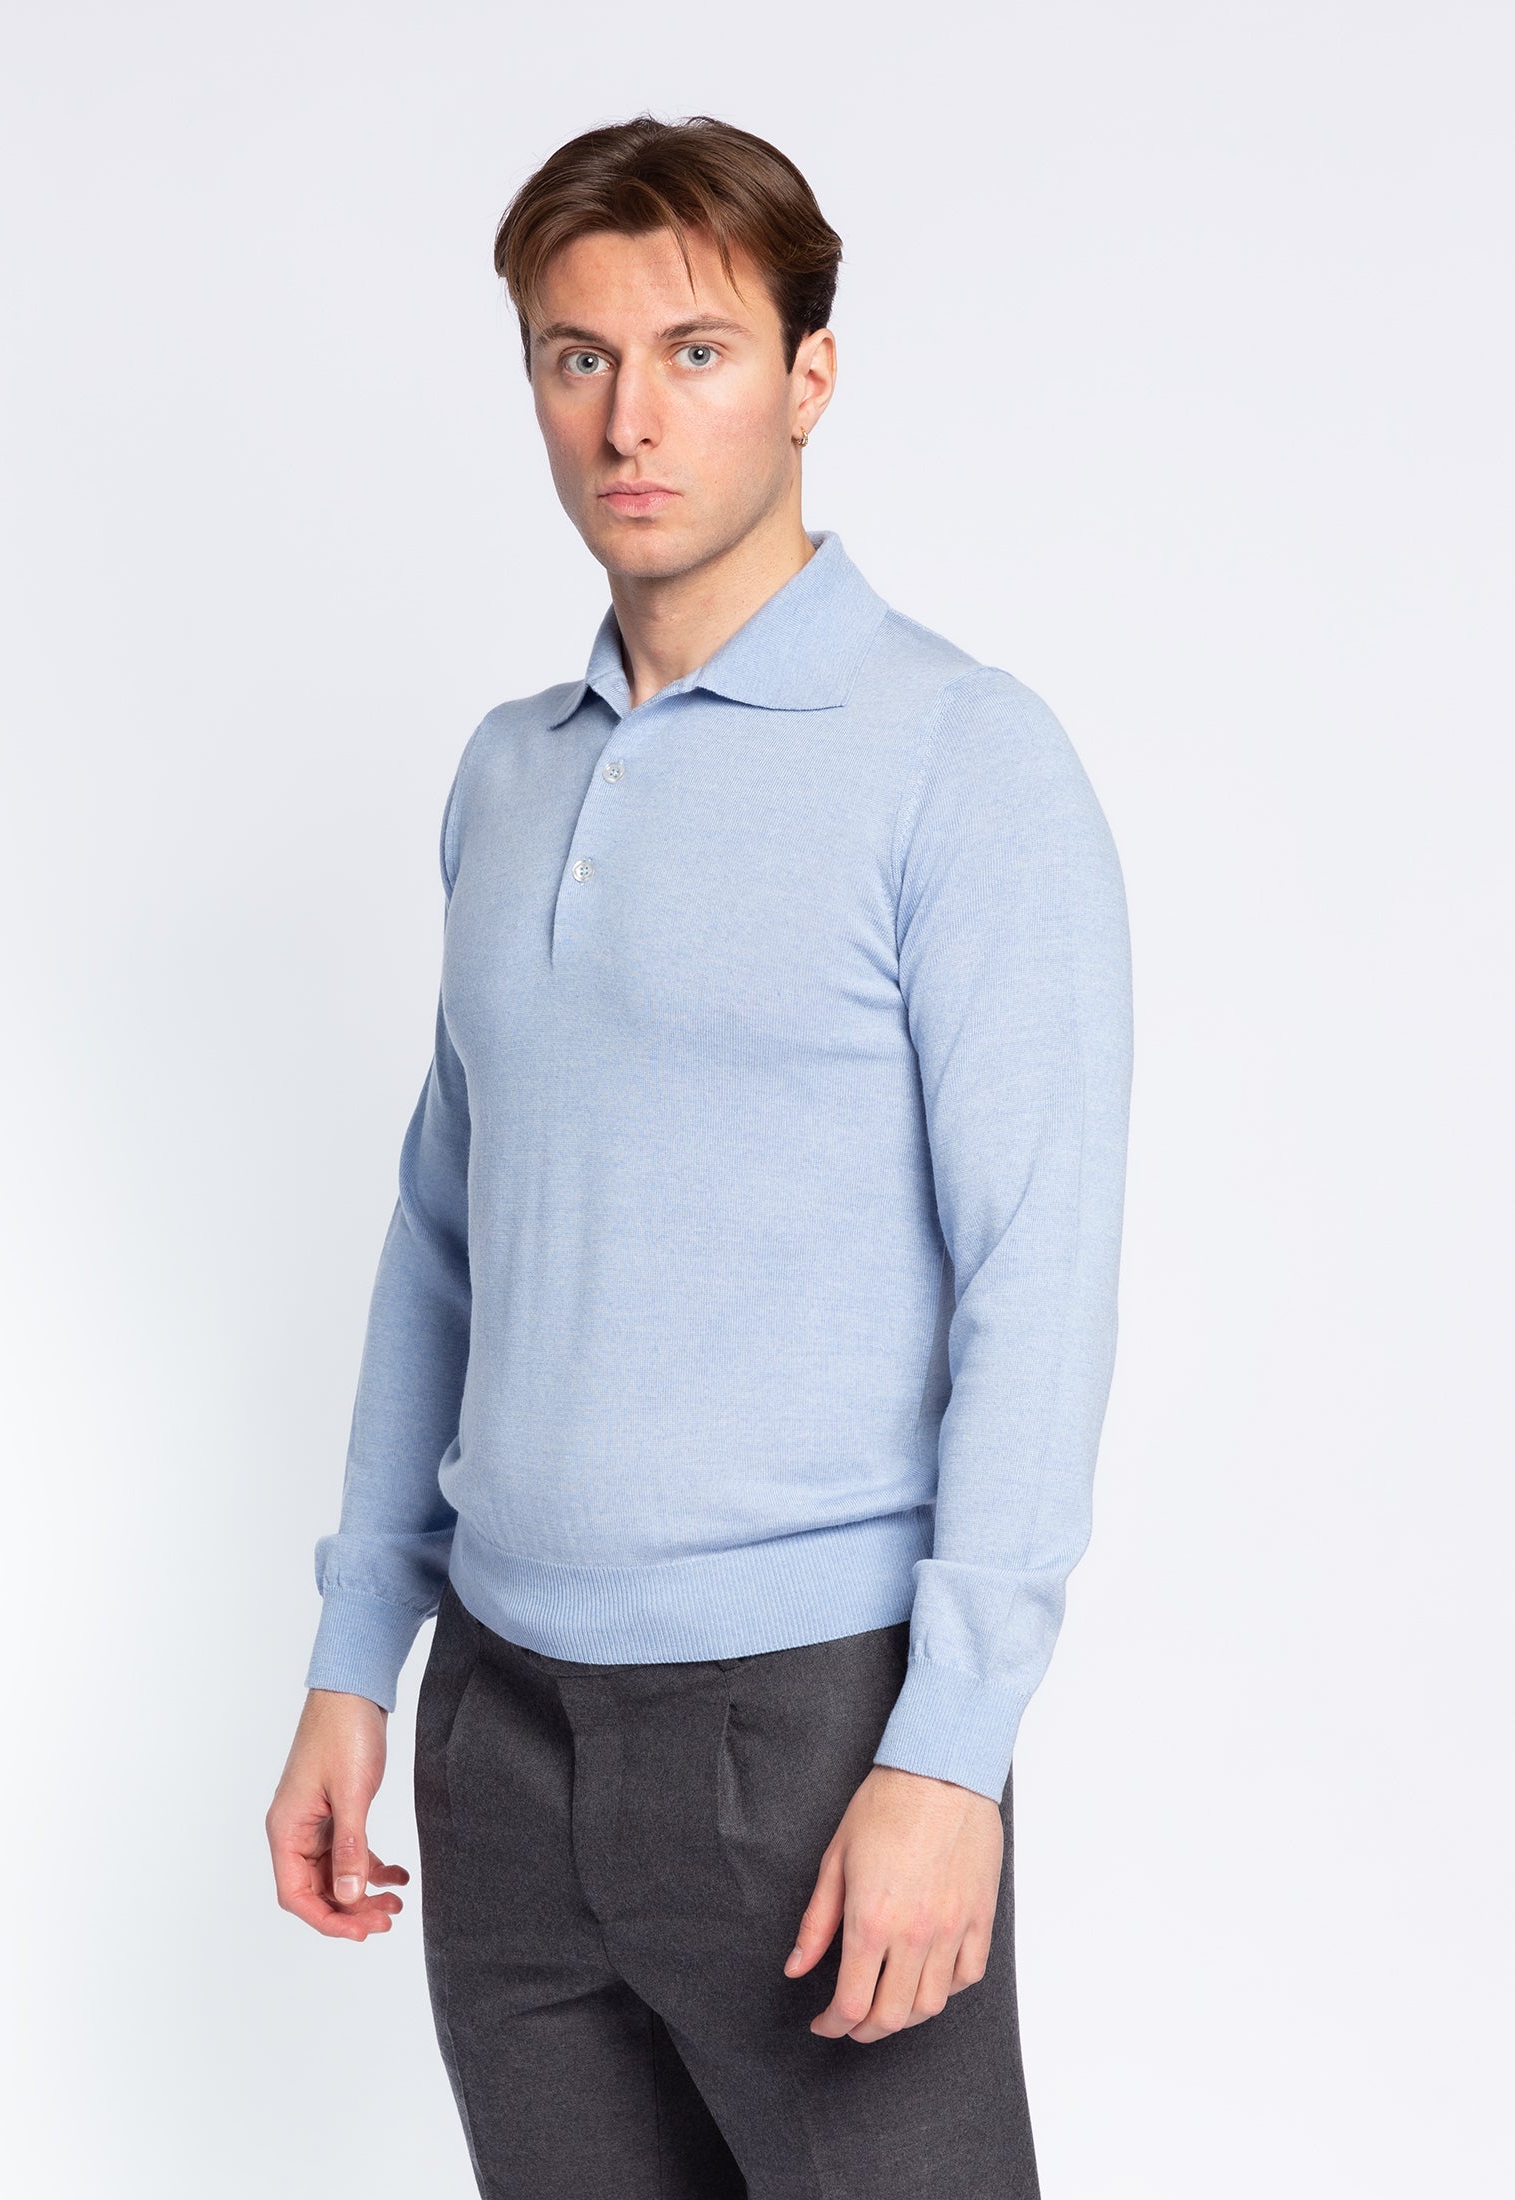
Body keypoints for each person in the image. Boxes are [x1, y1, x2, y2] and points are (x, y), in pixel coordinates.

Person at [266, 110, 1133, 2198]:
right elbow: (446, 1231)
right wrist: (355, 1658)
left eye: (696, 351)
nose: (628, 419)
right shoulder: (510, 773)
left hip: (811, 1729)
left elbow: (1039, 1275)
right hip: (502, 1723)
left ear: (810, 375)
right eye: (577, 358)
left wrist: (952, 1750)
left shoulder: (960, 758)